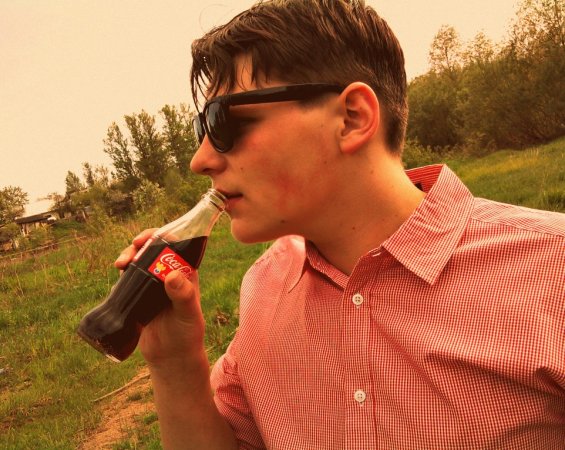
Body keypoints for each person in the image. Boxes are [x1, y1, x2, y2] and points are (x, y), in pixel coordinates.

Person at [115, 1, 565, 448]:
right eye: (202, 130)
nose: (200, 160)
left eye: (225, 122)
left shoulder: (552, 268)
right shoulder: (265, 286)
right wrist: (175, 365)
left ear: (352, 118)